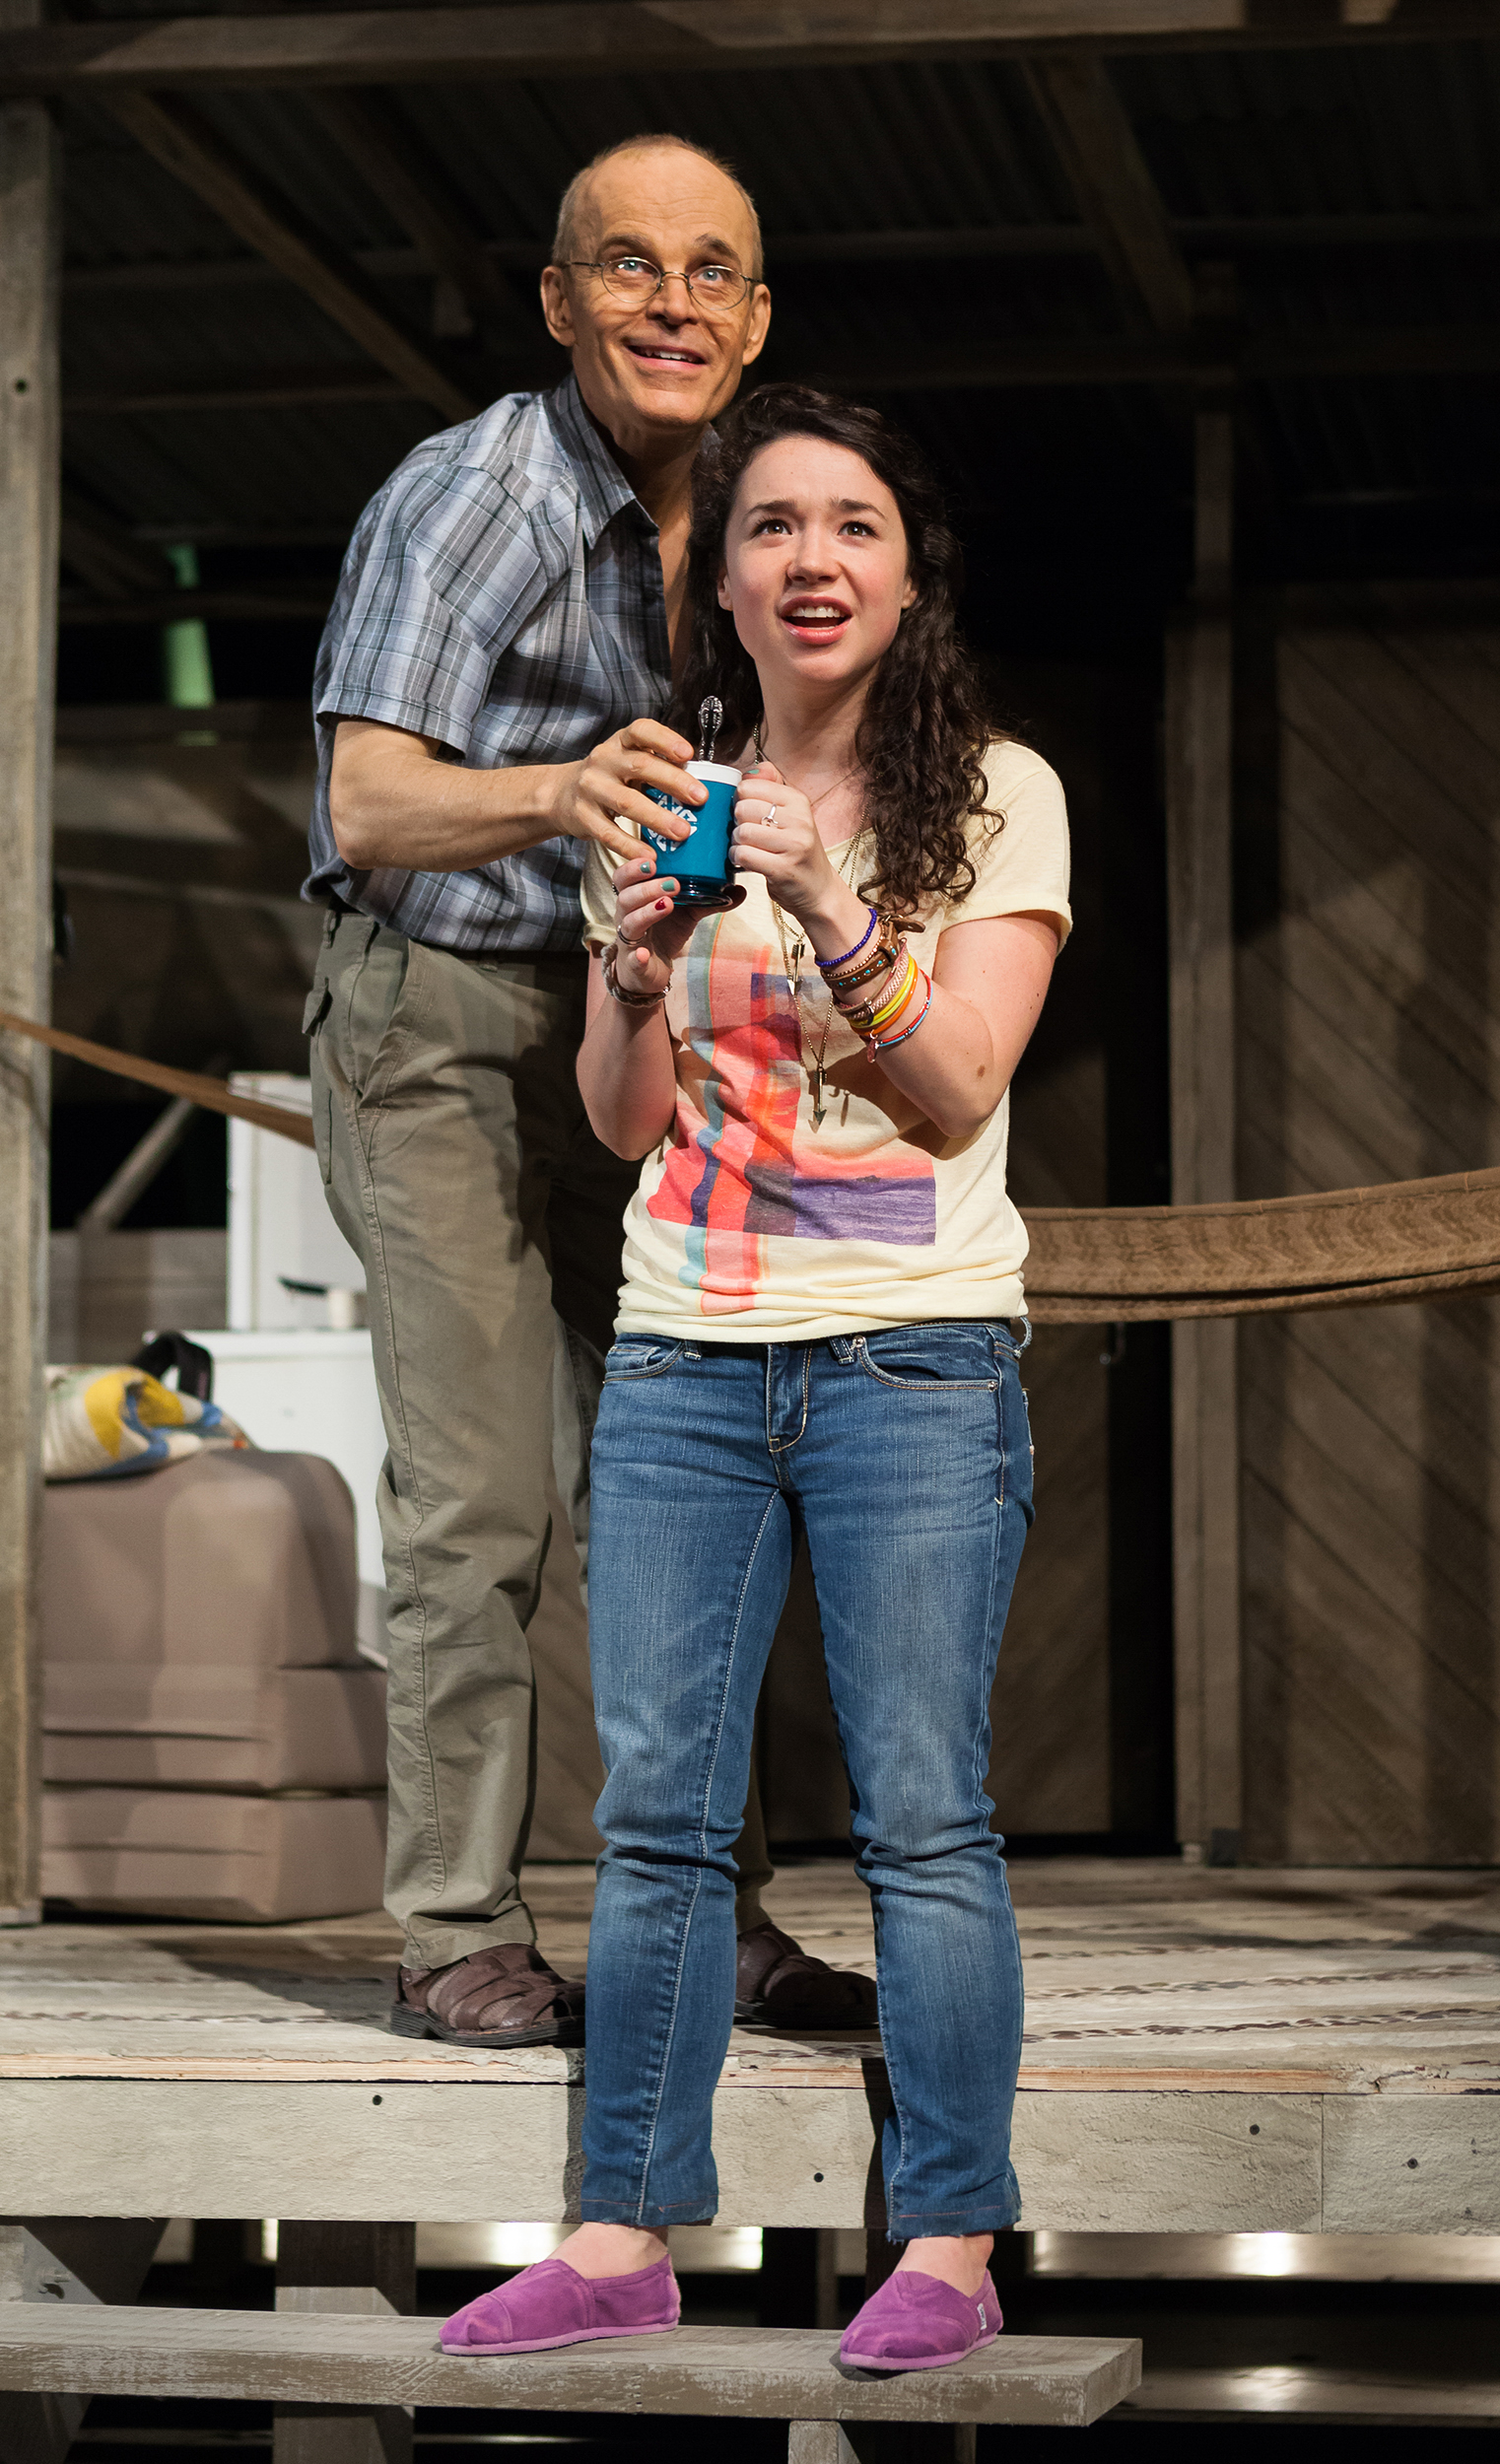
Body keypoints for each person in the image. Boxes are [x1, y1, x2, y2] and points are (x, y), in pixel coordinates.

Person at [440, 384, 1070, 2368]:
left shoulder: (1000, 797)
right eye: (773, 525)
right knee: (656, 1822)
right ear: (717, 580)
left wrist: (824, 898)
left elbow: (959, 1081)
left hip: (912, 1358)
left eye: (854, 524)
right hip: (688, 1356)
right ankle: (622, 2223)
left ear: (907, 571)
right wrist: (631, 966)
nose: (812, 556)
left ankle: (953, 2235)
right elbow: (625, 1124)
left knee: (924, 1817)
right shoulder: (662, 789)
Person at [303, 136, 873, 2049]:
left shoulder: (749, 510)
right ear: (561, 302)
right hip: (441, 1009)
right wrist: (559, 792)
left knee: (688, 1483)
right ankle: (456, 1924)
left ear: (758, 312)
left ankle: (704, 1918)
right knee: (486, 1499)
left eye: (712, 270)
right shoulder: (467, 498)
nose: (672, 301)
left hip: (633, 1026)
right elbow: (366, 801)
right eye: (628, 267)